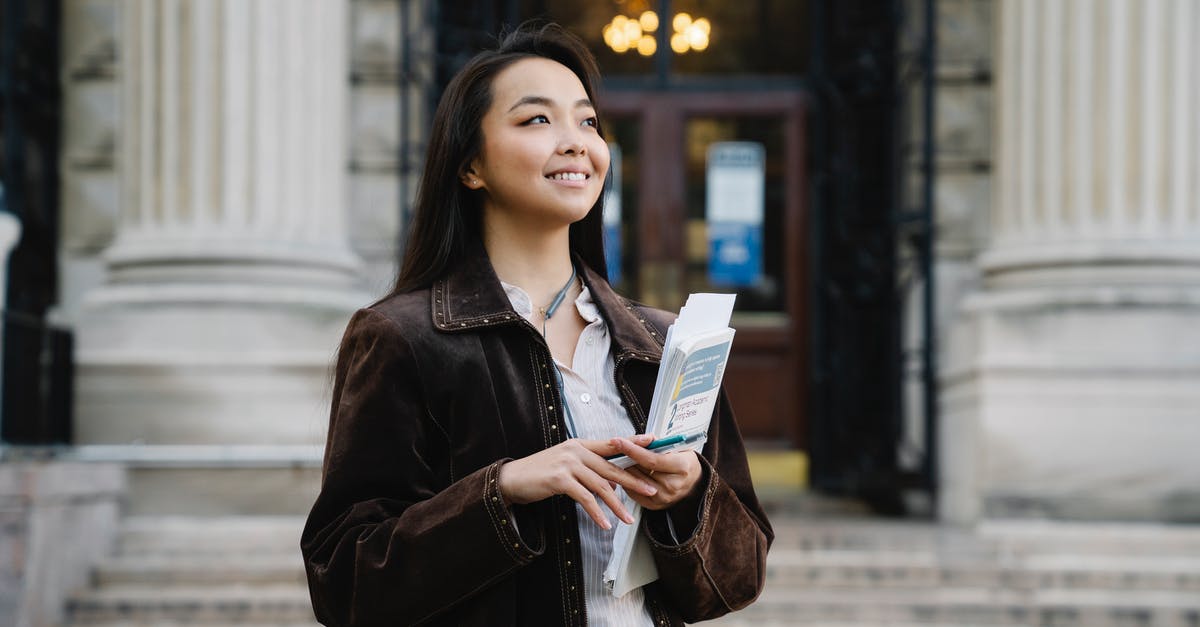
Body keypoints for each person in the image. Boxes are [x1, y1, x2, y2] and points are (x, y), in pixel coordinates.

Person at [301, 22, 772, 627]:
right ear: (470, 165)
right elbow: (344, 582)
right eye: (536, 120)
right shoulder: (404, 338)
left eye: (588, 122)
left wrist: (687, 496)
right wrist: (504, 491)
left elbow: (738, 579)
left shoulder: (660, 343)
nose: (576, 142)